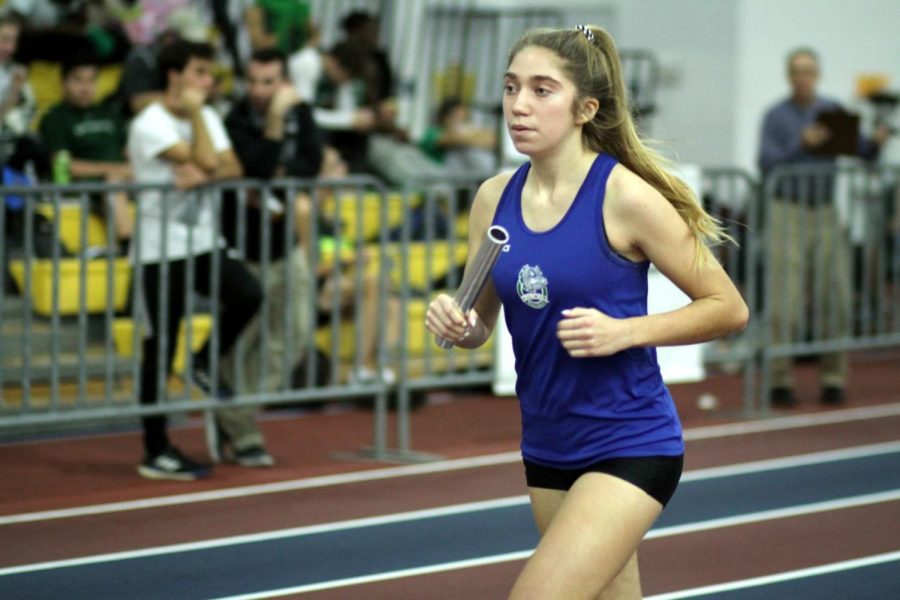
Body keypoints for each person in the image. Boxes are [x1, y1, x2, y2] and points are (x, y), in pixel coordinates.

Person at [425, 25, 748, 599]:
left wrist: (626, 332)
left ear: (585, 108)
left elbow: (728, 308)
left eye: (542, 90)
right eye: (510, 87)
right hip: (547, 443)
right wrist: (458, 322)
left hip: (630, 441)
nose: (519, 105)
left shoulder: (626, 197)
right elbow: (479, 322)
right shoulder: (493, 198)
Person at [128, 39, 265, 480]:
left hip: (201, 242)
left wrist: (202, 153)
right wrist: (203, 147)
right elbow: (210, 158)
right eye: (200, 72)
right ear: (175, 75)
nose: (208, 82)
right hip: (158, 249)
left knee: (247, 292)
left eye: (210, 73)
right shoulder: (150, 122)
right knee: (160, 347)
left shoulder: (204, 116)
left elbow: (232, 167)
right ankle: (156, 449)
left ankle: (204, 360)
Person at [224, 47, 398, 385]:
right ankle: (238, 396)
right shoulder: (236, 118)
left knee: (296, 330)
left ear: (284, 82)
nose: (259, 90)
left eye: (268, 82)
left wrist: (275, 170)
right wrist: (274, 122)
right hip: (246, 246)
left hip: (285, 249)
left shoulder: (301, 113)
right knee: (251, 334)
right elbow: (257, 168)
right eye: (253, 81)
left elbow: (308, 164)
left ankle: (365, 369)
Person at [758, 47, 889, 408]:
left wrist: (875, 143)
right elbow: (766, 163)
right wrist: (800, 143)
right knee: (785, 302)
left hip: (826, 211)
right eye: (798, 71)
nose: (804, 77)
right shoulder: (776, 116)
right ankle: (780, 380)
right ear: (790, 76)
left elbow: (861, 150)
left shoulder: (832, 111)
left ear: (817, 75)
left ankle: (834, 378)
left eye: (809, 71)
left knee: (837, 296)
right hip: (788, 210)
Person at [38, 55, 133, 253]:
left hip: (126, 178)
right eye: (78, 80)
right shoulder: (55, 118)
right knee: (114, 181)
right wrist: (114, 169)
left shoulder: (109, 114)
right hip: (87, 186)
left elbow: (129, 152)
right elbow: (64, 166)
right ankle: (128, 243)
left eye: (91, 80)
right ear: (64, 82)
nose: (85, 87)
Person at [419, 97, 498, 179]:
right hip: (439, 176)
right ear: (445, 118)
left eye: (465, 119)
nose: (462, 122)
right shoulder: (432, 132)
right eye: (458, 117)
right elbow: (456, 139)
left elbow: (494, 140)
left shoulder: (470, 132)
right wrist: (476, 136)